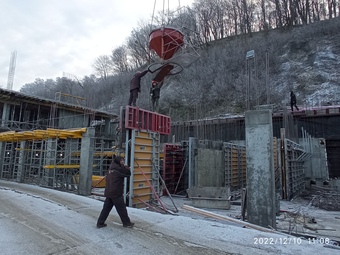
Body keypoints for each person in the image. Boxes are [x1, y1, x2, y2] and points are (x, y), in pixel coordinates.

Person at [97, 155, 135, 228]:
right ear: (118, 161)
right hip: (116, 192)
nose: (122, 162)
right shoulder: (118, 169)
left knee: (106, 209)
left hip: (109, 192)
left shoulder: (111, 168)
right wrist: (126, 167)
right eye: (121, 160)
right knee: (122, 209)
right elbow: (128, 174)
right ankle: (126, 223)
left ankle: (100, 223)